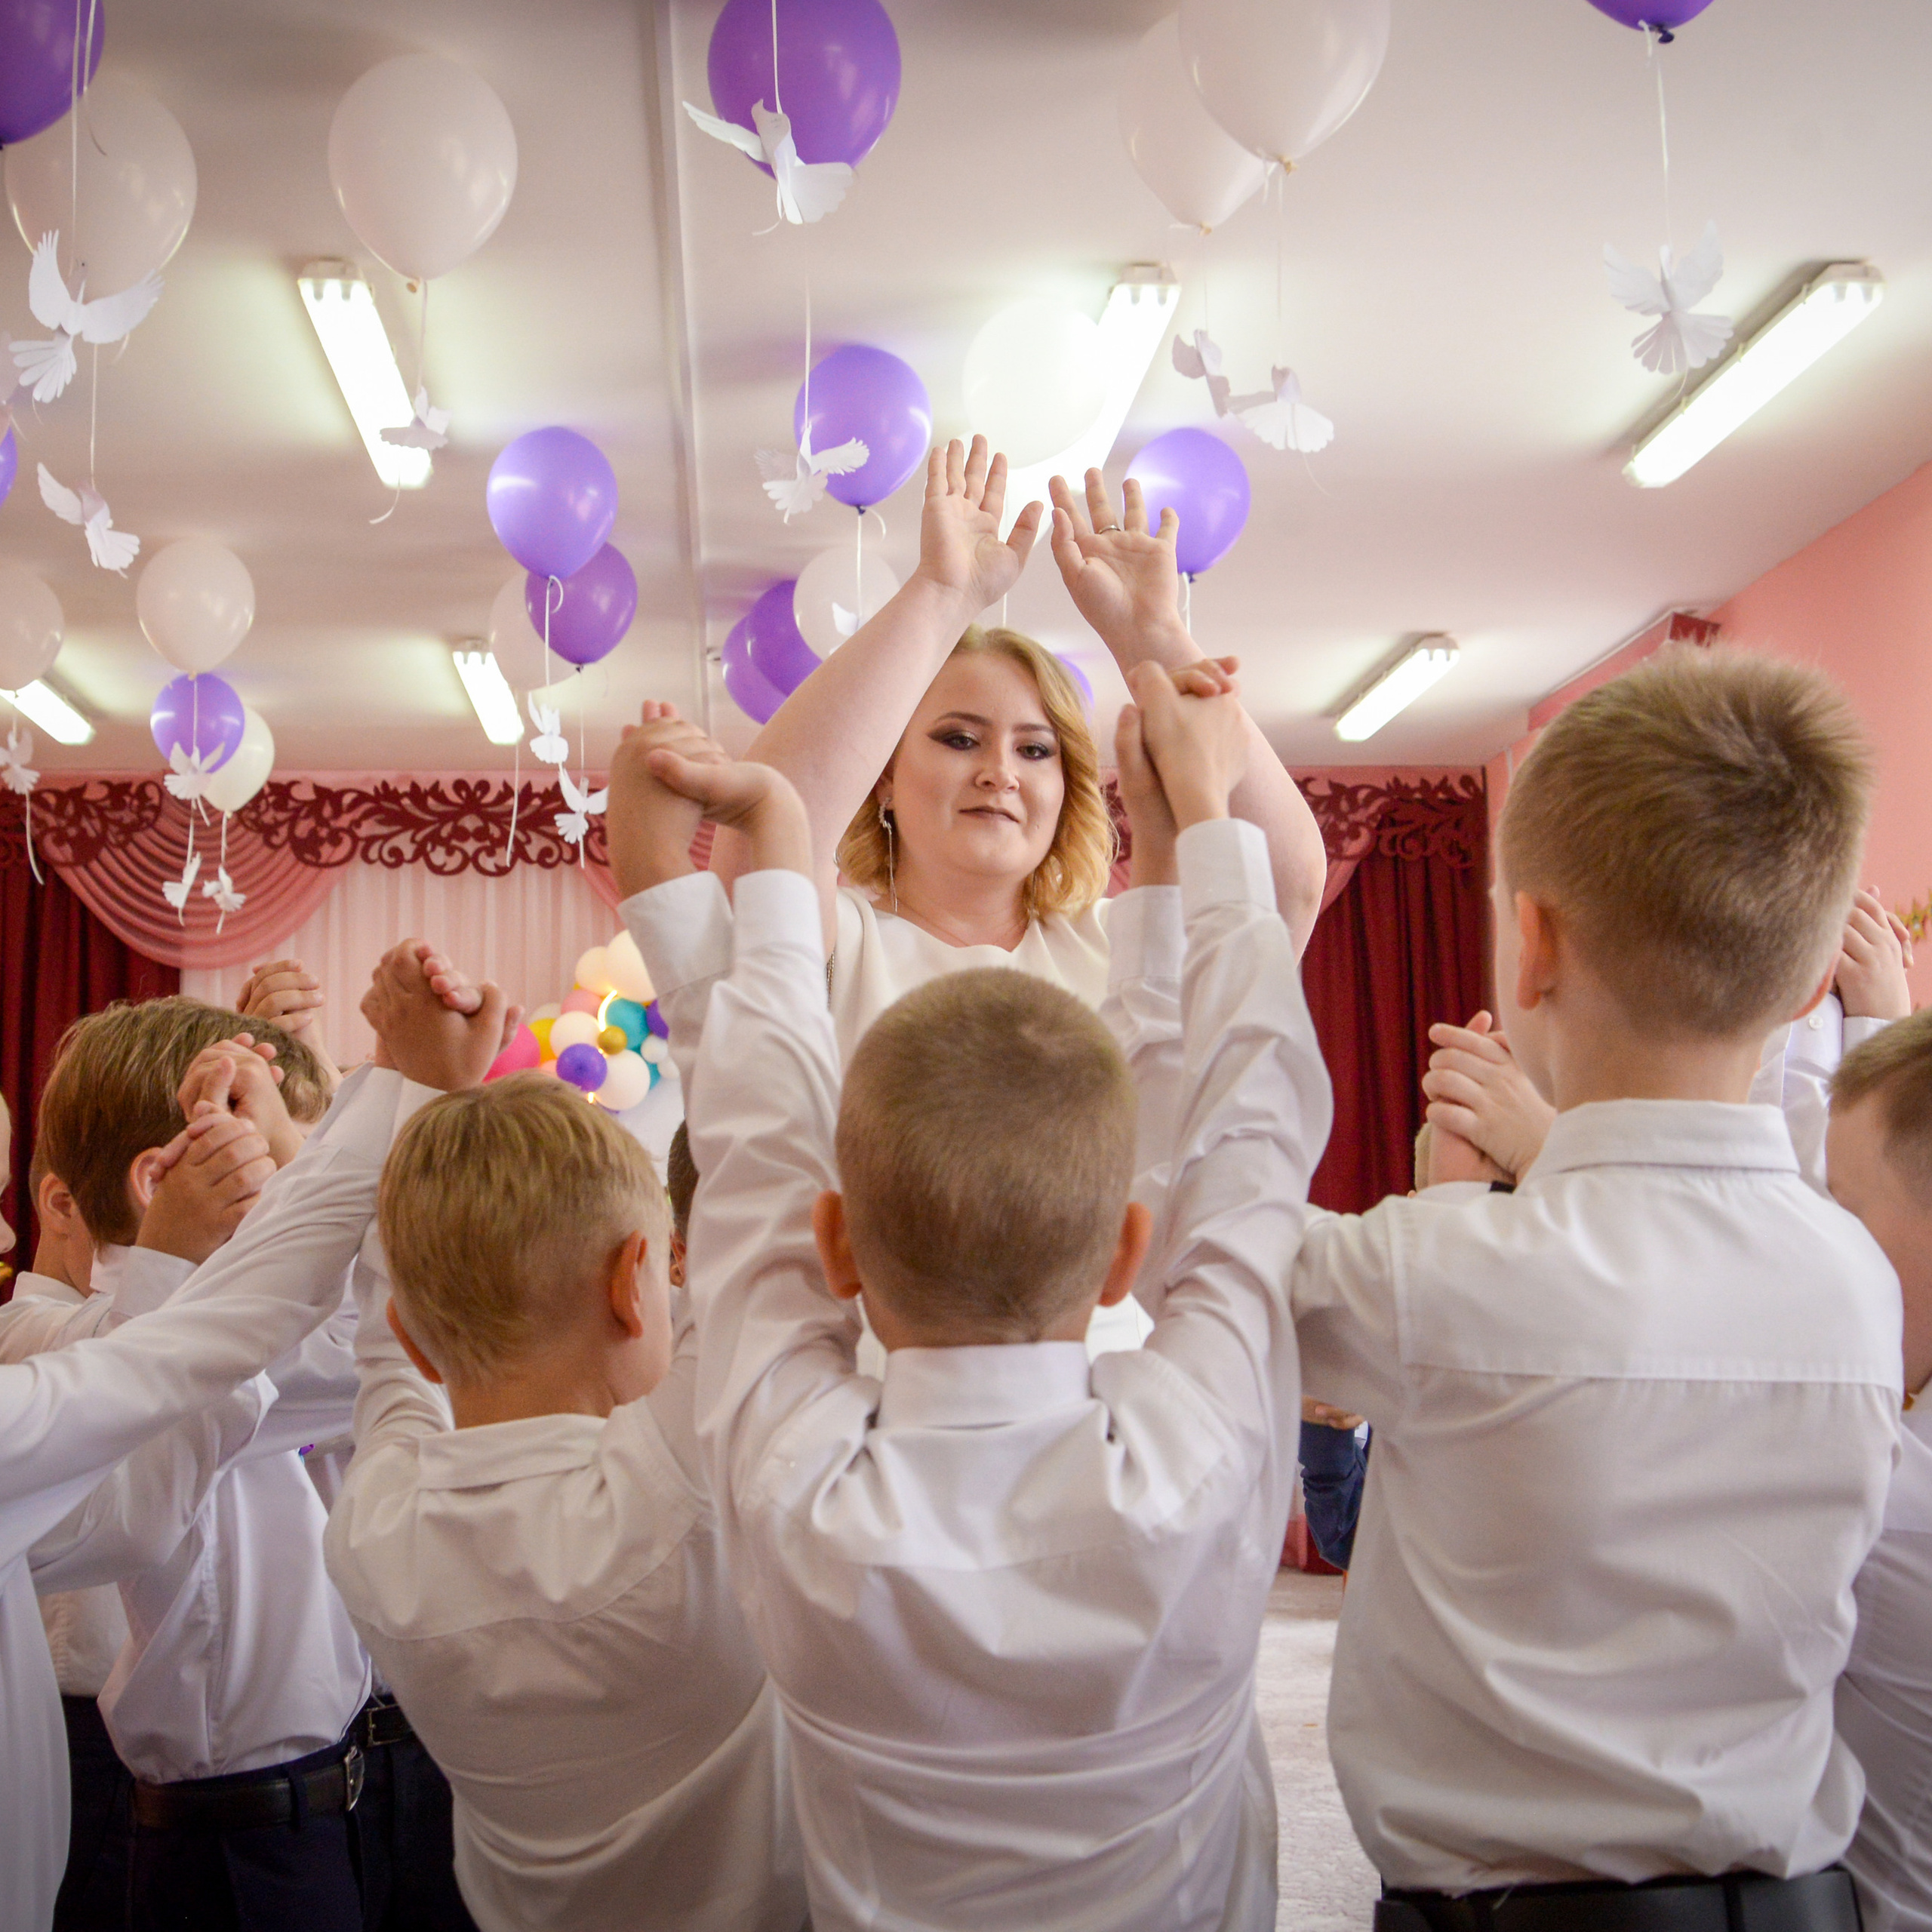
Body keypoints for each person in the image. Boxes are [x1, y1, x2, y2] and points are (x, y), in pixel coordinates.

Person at [607, 662, 1328, 1932]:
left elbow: (759, 1160)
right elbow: (1251, 1116)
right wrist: (1191, 828)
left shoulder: (797, 1485)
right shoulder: (1205, 1460)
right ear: (1126, 1257)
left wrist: (730, 872)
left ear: (841, 1249)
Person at [1241, 650, 1893, 1927]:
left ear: (1531, 944)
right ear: (1815, 979)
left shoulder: (1445, 1273)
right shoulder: (1854, 1280)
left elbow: (1205, 1244)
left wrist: (1210, 874)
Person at [711, 440, 1327, 1364]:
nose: (999, 771)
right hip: (876, 1403)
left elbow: (1283, 889)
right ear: (885, 780)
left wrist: (1149, 636)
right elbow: (763, 834)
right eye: (959, 738)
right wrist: (940, 595)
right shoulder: (841, 946)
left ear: (1066, 788)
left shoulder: (1127, 942)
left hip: (1104, 1404)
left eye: (1035, 750)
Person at [321, 943, 807, 1932]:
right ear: (640, 1282)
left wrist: (421, 1086)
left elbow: (384, 1326)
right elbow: (758, 1196)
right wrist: (423, 1076)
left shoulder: (373, 1526)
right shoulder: (678, 1489)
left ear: (420, 1340)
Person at [0, 1048, 394, 1932]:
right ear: (162, 1179)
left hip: (316, 1796)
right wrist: (371, 1108)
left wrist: (296, 1146)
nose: (3, 1235)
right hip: (227, 1824)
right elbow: (353, 1348)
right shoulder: (62, 1333)